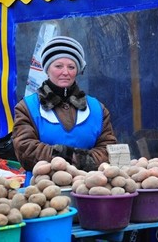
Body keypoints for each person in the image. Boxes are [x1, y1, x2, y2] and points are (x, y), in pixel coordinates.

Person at [12, 36, 117, 173]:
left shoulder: (97, 109)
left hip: (90, 188)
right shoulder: (27, 107)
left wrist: (78, 163)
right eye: (58, 66)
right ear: (47, 69)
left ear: (78, 71)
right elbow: (25, 150)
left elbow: (108, 149)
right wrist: (71, 157)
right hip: (41, 190)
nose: (65, 72)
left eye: (71, 67)